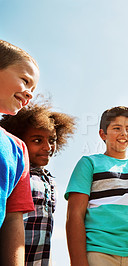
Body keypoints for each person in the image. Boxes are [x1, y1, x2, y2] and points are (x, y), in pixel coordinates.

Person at [65, 106, 128, 266]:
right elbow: (74, 215)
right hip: (100, 252)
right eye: (117, 128)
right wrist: (78, 262)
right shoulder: (89, 163)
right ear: (102, 134)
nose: (124, 133)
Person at [0, 100, 76, 265]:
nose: (48, 147)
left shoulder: (48, 180)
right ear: (18, 139)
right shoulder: (16, 174)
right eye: (37, 140)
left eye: (52, 140)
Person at [0, 39, 39, 265]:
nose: (30, 94)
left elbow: (14, 218)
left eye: (34, 90)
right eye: (25, 81)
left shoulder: (17, 148)